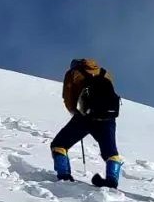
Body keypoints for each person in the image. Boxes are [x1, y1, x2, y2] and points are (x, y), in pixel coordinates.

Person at [50, 59, 123, 187]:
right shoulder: (105, 72)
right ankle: (112, 180)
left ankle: (64, 176)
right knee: (111, 152)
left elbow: (68, 96)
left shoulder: (73, 73)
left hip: (85, 116)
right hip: (108, 117)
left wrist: (74, 111)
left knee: (59, 144)